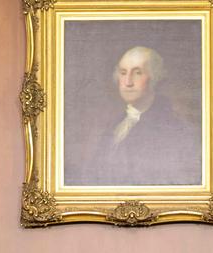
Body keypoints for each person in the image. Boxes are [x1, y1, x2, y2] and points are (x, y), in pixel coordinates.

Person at [68, 46, 201, 186]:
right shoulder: (116, 125)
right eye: (123, 73)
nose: (128, 82)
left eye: (137, 73)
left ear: (154, 77)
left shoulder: (174, 129)